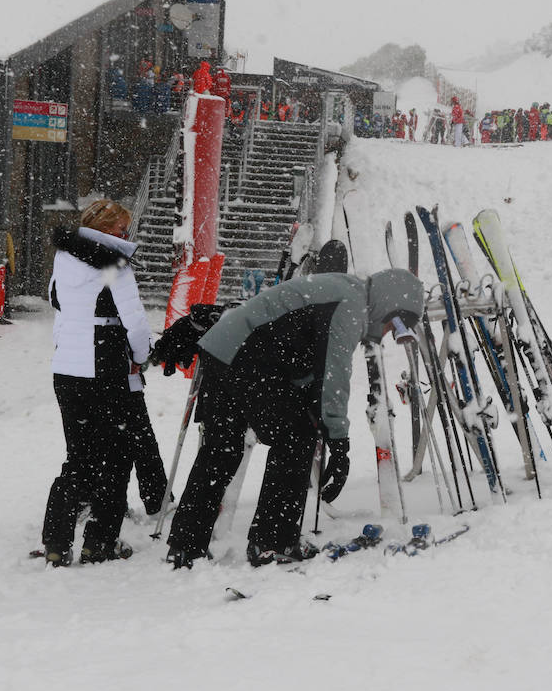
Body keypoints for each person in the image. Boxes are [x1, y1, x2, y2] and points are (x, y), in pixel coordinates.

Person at [160, 269, 425, 568]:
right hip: (248, 358)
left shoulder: (344, 290)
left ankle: (185, 545)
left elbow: (299, 349)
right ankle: (272, 542)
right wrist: (339, 442)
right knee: (296, 437)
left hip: (223, 349)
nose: (389, 330)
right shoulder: (350, 303)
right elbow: (333, 376)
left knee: (222, 450)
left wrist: (315, 409)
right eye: (395, 322)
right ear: (389, 303)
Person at [40, 200, 152, 567]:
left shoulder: (64, 258)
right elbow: (134, 321)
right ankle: (99, 542)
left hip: (66, 370)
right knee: (115, 458)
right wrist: (140, 355)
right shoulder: (112, 262)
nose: (126, 236)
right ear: (106, 228)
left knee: (78, 458)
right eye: (122, 229)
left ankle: (56, 542)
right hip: (104, 366)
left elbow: (57, 303)